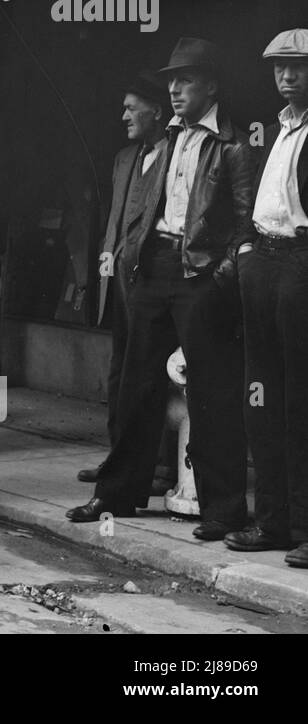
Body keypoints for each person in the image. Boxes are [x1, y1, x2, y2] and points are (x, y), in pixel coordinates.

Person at [68, 37, 253, 538]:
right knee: (137, 385)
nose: (174, 90)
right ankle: (118, 494)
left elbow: (244, 224)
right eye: (171, 81)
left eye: (185, 80)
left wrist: (219, 276)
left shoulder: (232, 145)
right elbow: (148, 206)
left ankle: (223, 509)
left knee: (211, 392)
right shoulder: (168, 139)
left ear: (211, 86)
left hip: (199, 274)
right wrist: (133, 259)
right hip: (153, 268)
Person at [229, 29, 308, 567]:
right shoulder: (276, 130)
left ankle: (304, 529)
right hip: (263, 261)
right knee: (262, 395)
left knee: (299, 399)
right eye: (279, 67)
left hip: (301, 264)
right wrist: (245, 249)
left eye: (297, 67)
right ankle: (272, 523)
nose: (286, 76)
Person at [77, 73, 170, 488]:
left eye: (132, 108)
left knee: (151, 376)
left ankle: (157, 466)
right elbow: (115, 219)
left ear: (157, 112)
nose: (124, 115)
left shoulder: (176, 153)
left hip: (152, 281)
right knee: (119, 375)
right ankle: (119, 460)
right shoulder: (123, 158)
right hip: (118, 281)